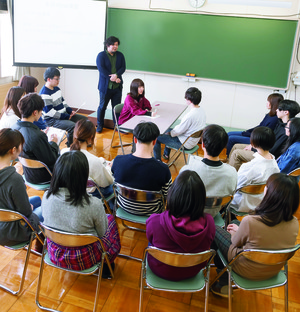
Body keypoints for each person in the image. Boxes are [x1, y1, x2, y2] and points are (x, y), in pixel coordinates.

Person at [211, 173, 299, 296]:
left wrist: (235, 232)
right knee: (235, 222)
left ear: (270, 195)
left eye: (267, 187)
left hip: (244, 268)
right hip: (273, 269)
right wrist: (239, 229)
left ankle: (224, 281)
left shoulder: (251, 221)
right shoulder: (295, 223)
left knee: (213, 228)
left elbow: (235, 243)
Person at [42, 151, 120, 275]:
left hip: (55, 253)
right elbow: (102, 233)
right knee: (110, 218)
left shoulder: (46, 196)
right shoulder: (93, 203)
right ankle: (107, 264)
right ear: (83, 175)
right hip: (85, 258)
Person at [146, 170, 215, 281]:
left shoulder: (154, 221)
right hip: (192, 271)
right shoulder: (210, 223)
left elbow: (150, 238)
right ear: (201, 199)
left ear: (173, 195)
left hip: (160, 269)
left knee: (152, 241)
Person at [112, 122, 172, 216]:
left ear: (135, 139)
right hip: (152, 212)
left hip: (124, 207)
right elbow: (167, 195)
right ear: (154, 142)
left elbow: (114, 184)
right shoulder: (163, 169)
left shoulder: (118, 161)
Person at [180, 124, 237, 217]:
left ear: (202, 144)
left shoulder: (188, 170)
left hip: (190, 216)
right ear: (223, 147)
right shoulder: (232, 172)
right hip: (214, 215)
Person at [228, 99, 300, 171]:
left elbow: (272, 151)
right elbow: (268, 141)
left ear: (286, 112)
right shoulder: (280, 124)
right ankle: (230, 168)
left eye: (279, 109)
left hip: (267, 155)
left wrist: (253, 148)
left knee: (236, 153)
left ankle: (232, 177)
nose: (276, 110)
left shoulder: (287, 131)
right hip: (263, 149)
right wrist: (254, 145)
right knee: (236, 146)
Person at [0, 128, 42, 247]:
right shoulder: (14, 178)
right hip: (13, 233)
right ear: (13, 150)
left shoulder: (13, 177)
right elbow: (26, 212)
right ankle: (41, 248)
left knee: (37, 199)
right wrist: (29, 208)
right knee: (45, 209)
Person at [12, 93, 59, 184]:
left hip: (27, 173)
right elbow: (51, 159)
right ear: (35, 112)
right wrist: (53, 142)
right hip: (44, 176)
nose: (41, 114)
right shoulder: (37, 136)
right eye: (41, 111)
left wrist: (41, 137)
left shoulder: (14, 128)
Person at [61, 119, 114, 200]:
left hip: (71, 191)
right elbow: (106, 183)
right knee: (114, 183)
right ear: (91, 137)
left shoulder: (63, 152)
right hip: (91, 195)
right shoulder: (93, 161)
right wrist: (109, 168)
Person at [230, 127, 279, 213]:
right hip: (261, 204)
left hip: (241, 205)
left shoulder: (249, 167)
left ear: (252, 144)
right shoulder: (275, 165)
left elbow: (234, 187)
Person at [153, 87, 206, 161]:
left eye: (186, 98)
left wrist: (170, 133)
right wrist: (171, 132)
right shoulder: (201, 111)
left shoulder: (190, 116)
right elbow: (181, 129)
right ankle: (166, 154)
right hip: (193, 141)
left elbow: (178, 131)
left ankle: (157, 161)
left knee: (156, 136)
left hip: (185, 144)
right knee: (167, 130)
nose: (185, 99)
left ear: (189, 100)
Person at [39, 67, 87, 146]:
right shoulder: (44, 93)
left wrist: (69, 111)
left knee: (84, 120)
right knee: (72, 126)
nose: (58, 81)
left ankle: (82, 142)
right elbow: (50, 112)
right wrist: (66, 116)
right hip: (51, 120)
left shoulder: (57, 89)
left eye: (59, 78)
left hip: (62, 115)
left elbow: (63, 101)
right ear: (48, 79)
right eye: (56, 79)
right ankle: (71, 147)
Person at [96, 36, 126, 133]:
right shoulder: (101, 55)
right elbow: (102, 69)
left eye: (116, 45)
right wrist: (112, 78)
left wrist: (116, 75)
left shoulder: (120, 55)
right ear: (107, 45)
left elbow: (123, 67)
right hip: (105, 87)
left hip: (117, 87)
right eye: (113, 44)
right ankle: (100, 125)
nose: (115, 46)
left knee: (116, 107)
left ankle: (117, 125)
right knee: (102, 107)